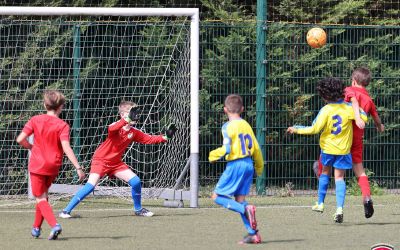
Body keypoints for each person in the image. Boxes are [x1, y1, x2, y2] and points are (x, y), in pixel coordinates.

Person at [59, 101, 176, 218]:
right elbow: (112, 129)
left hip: (115, 163)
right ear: (122, 115)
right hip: (101, 160)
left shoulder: (133, 132)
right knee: (90, 186)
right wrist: (126, 120)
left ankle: (138, 209)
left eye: (135, 112)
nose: (136, 114)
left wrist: (165, 137)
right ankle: (66, 211)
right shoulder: (115, 126)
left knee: (135, 181)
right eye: (131, 112)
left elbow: (149, 139)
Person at [287, 78, 367, 223]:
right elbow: (364, 117)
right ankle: (339, 209)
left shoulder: (325, 110)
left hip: (328, 149)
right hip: (343, 151)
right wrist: (356, 108)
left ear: (324, 96)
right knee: (339, 178)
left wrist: (297, 129)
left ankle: (320, 203)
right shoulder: (348, 108)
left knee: (324, 172)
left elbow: (314, 129)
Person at [313, 67, 384, 218]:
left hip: (342, 136)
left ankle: (321, 176)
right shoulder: (369, 100)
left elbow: (344, 103)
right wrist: (379, 126)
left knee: (326, 157)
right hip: (357, 139)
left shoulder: (348, 90)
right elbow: (376, 117)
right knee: (360, 170)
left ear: (353, 81)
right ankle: (366, 196)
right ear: (367, 83)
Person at [16, 90, 85, 240]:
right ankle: (36, 228)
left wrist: (31, 147)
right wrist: (78, 167)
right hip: (53, 165)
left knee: (40, 198)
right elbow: (66, 147)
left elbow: (20, 139)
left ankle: (55, 225)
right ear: (61, 107)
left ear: (45, 104)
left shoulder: (35, 119)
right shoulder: (63, 125)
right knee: (43, 197)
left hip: (38, 165)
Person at [209, 94, 264, 244]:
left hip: (236, 165)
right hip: (248, 165)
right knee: (240, 200)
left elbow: (226, 149)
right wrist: (259, 168)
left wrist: (213, 155)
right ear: (243, 109)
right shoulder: (246, 125)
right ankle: (253, 234)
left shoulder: (227, 127)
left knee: (216, 196)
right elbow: (257, 148)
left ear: (225, 110)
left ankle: (244, 210)